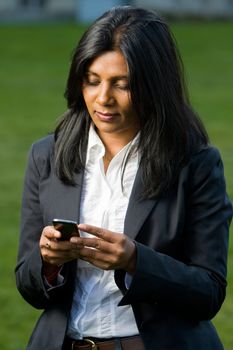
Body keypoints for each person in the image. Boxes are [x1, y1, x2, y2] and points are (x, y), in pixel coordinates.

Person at [15, 5, 232, 350]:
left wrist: (135, 261)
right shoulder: (47, 155)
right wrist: (48, 262)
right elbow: (27, 285)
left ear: (154, 85)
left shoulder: (197, 164)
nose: (103, 98)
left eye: (122, 84)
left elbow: (208, 292)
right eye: (92, 80)